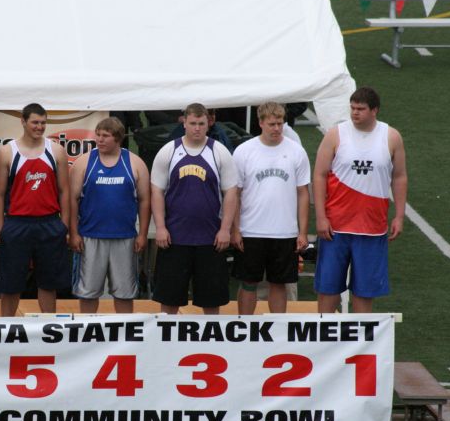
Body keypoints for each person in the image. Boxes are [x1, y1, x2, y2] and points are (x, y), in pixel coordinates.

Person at [313, 86, 407, 313]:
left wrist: (400, 216)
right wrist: (321, 217)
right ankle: (324, 338)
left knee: (365, 291)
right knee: (328, 288)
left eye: (360, 109)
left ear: (374, 110)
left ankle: (360, 342)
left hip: (372, 228)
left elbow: (400, 176)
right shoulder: (336, 134)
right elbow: (319, 174)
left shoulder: (391, 136)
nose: (355, 113)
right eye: (352, 108)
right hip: (336, 226)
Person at [150, 103, 238, 315]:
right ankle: (167, 342)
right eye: (193, 123)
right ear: (184, 123)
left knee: (211, 301)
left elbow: (231, 193)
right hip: (174, 238)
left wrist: (225, 229)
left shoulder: (219, 152)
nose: (197, 128)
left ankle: (210, 343)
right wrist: (160, 227)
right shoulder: (169, 151)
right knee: (169, 299)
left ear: (209, 123)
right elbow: (156, 192)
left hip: (210, 239)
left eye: (201, 123)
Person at [231, 102, 310, 314]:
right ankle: (244, 327)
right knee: (248, 283)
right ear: (261, 123)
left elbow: (303, 192)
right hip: (251, 229)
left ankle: (278, 328)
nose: (277, 128)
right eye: (272, 124)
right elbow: (235, 194)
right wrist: (235, 229)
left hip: (284, 231)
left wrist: (302, 232)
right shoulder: (244, 152)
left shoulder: (296, 152)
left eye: (280, 123)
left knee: (279, 283)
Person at [0, 103, 70, 316]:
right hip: (18, 223)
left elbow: (65, 191)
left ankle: (48, 326)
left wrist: (63, 225)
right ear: (23, 122)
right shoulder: (8, 152)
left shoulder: (56, 151)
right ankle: (6, 328)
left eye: (43, 123)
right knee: (10, 283)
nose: (39, 127)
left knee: (48, 283)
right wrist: (2, 229)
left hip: (49, 223)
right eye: (35, 122)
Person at [69, 117, 150, 313]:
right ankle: (88, 334)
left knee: (124, 292)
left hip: (124, 236)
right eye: (98, 135)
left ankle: (124, 336)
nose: (100, 139)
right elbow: (72, 200)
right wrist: (73, 233)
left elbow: (145, 200)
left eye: (105, 136)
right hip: (90, 236)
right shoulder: (84, 162)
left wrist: (142, 234)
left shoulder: (135, 163)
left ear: (118, 138)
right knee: (88, 292)